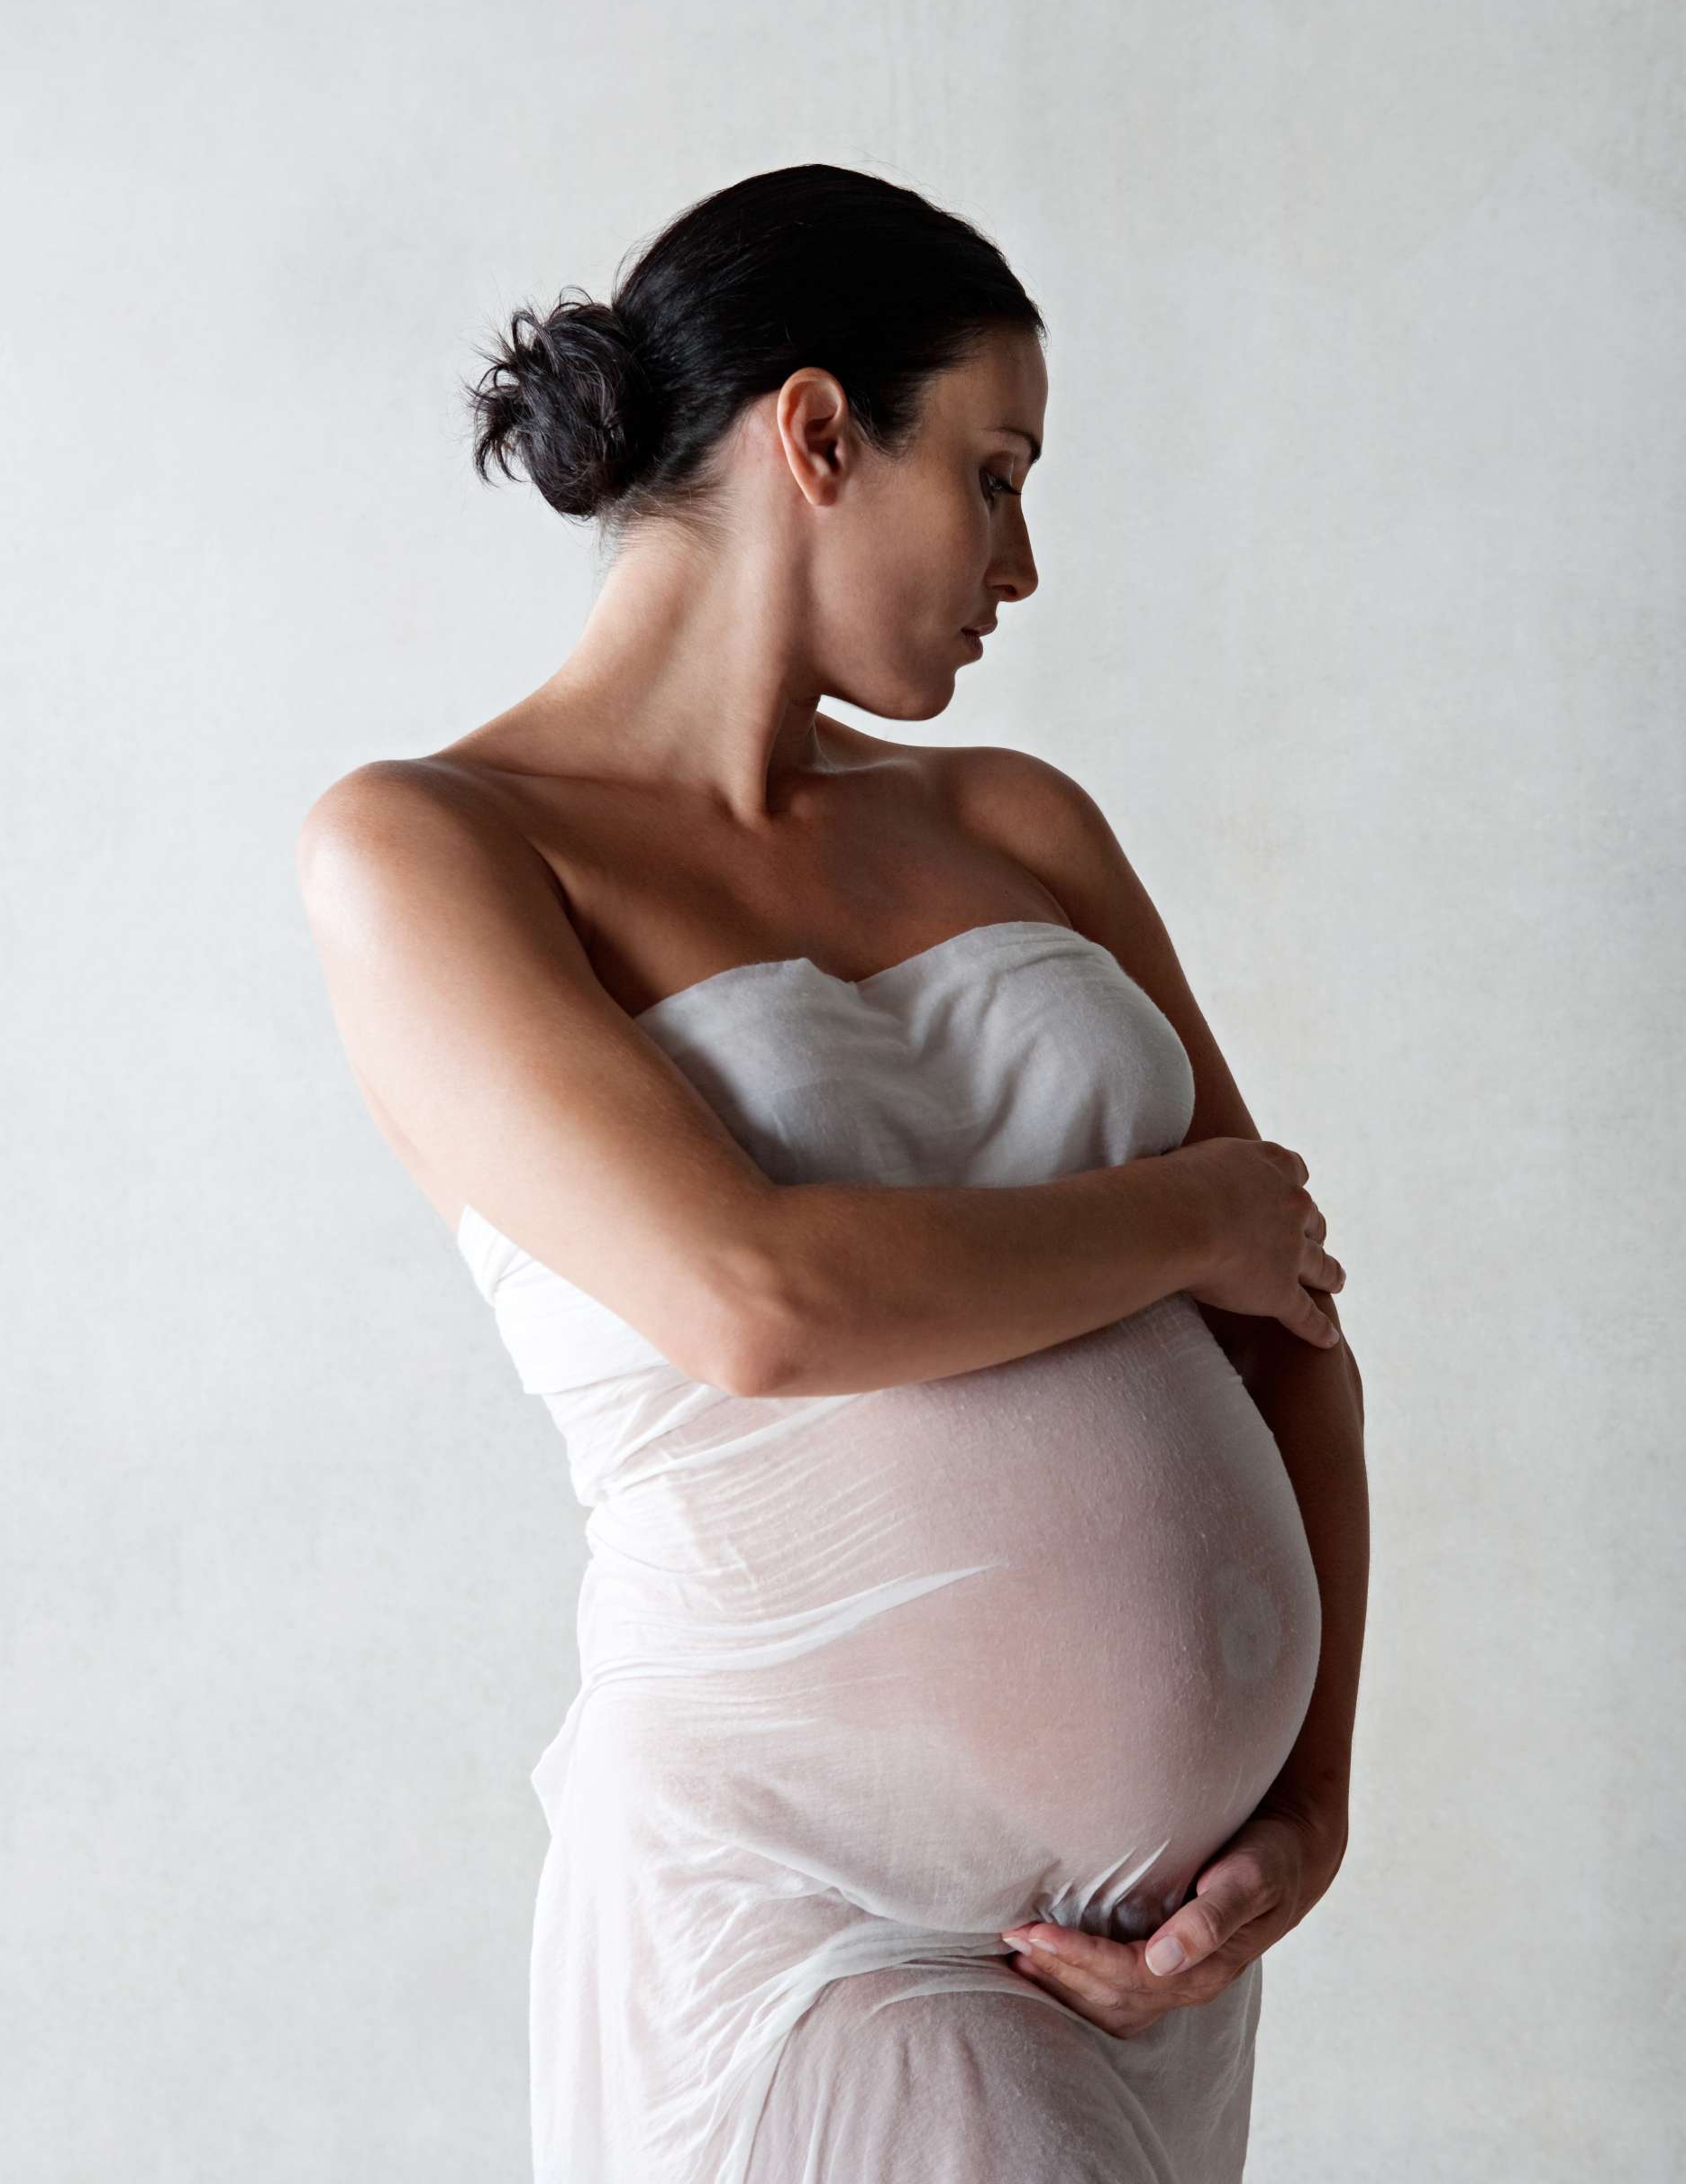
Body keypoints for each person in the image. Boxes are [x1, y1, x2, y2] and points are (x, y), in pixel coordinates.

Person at [296, 161, 1368, 2184]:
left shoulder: (1016, 821)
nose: (1020, 559)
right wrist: (1188, 1216)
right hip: (804, 1928)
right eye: (992, 471)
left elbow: (1289, 1335)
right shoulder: (430, 849)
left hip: (1153, 1968)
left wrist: (1304, 1806)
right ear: (813, 433)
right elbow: (755, 1301)